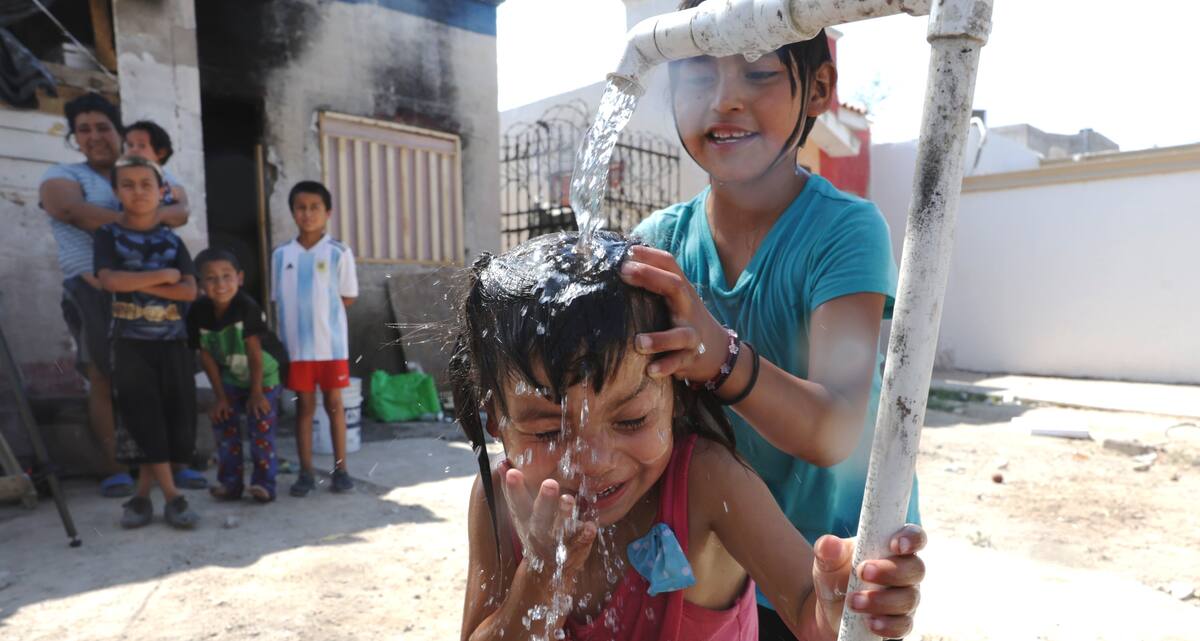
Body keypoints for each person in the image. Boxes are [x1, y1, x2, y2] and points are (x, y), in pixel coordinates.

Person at [454, 232, 925, 641]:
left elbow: (809, 613)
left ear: (674, 398)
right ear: (495, 419)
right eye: (547, 430)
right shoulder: (499, 498)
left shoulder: (707, 483)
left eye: (631, 420)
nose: (592, 460)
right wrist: (539, 576)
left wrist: (839, 602)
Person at [625, 4, 921, 637]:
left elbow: (836, 428)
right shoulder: (658, 243)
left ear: (818, 89)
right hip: (711, 564)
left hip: (827, 566)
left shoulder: (844, 231)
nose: (725, 101)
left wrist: (721, 358)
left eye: (759, 72)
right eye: (698, 74)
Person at [38, 93, 201, 497]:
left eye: (103, 127)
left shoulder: (147, 170)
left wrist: (135, 214)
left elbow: (180, 209)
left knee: (165, 376)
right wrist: (143, 216)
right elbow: (73, 211)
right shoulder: (63, 174)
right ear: (74, 137)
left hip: (159, 289)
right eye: (83, 129)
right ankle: (114, 469)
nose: (94, 136)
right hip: (92, 288)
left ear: (119, 131)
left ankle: (176, 463)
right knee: (102, 376)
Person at [94, 155, 200, 529]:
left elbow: (189, 291)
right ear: (115, 191)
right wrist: (164, 276)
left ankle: (140, 498)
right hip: (130, 342)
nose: (138, 192)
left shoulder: (172, 240)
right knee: (142, 416)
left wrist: (143, 280)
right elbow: (110, 281)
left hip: (171, 342)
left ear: (161, 192)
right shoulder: (108, 235)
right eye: (128, 184)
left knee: (172, 417)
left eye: (146, 184)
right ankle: (173, 497)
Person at [271, 180, 358, 496]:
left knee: (335, 405)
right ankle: (306, 472)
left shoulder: (338, 252)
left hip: (331, 347)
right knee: (304, 409)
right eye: (301, 208)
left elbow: (347, 297)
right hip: (297, 350)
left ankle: (341, 470)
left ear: (327, 212)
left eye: (314, 208)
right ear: (293, 212)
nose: (307, 214)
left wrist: (323, 318)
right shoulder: (281, 255)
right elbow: (278, 300)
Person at [189, 249, 287, 503]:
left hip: (263, 376)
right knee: (224, 425)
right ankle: (230, 484)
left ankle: (264, 484)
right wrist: (220, 397)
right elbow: (206, 356)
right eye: (210, 278)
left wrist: (256, 393)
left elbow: (255, 355)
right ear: (200, 284)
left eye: (226, 276)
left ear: (239, 278)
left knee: (261, 428)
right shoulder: (197, 312)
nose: (220, 284)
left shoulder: (247, 307)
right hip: (232, 376)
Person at [123, 119, 189, 206]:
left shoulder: (169, 184)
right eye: (130, 145)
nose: (133, 150)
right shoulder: (123, 175)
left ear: (161, 153)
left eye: (142, 145)